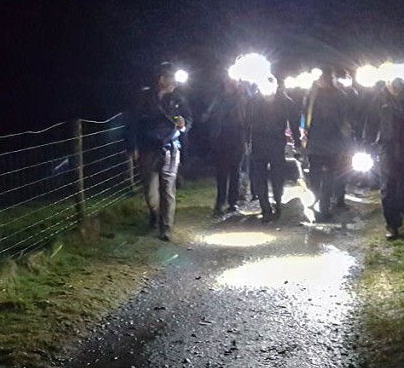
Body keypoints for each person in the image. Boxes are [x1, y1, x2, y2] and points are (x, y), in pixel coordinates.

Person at [126, 62, 192, 241]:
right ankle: (155, 213)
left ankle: (166, 228)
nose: (174, 84)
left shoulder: (179, 100)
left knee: (168, 189)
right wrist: (133, 147)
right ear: (162, 79)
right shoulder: (144, 98)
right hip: (148, 149)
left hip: (171, 148)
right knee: (149, 190)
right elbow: (133, 123)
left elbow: (189, 119)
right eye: (171, 79)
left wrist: (184, 124)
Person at [362, 76, 404, 239]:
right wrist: (367, 147)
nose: (392, 84)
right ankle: (392, 225)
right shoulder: (379, 100)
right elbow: (370, 124)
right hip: (386, 148)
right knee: (388, 187)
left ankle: (402, 216)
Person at [246, 76, 298, 222]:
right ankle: (265, 208)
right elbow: (246, 123)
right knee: (260, 176)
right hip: (259, 142)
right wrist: (246, 141)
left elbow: (292, 122)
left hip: (276, 142)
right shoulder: (254, 101)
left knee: (277, 177)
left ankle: (277, 203)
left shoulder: (285, 102)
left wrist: (296, 143)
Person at [302, 66, 351, 221]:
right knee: (323, 178)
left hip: (326, 143)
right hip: (324, 143)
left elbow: (343, 121)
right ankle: (321, 207)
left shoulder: (312, 96)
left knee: (322, 177)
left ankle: (321, 206)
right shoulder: (314, 96)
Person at [200, 75, 247, 216]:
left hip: (237, 139)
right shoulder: (218, 98)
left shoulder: (242, 98)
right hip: (221, 139)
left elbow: (247, 117)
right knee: (221, 173)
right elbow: (207, 115)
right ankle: (220, 202)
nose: (231, 83)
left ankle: (233, 202)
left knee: (235, 172)